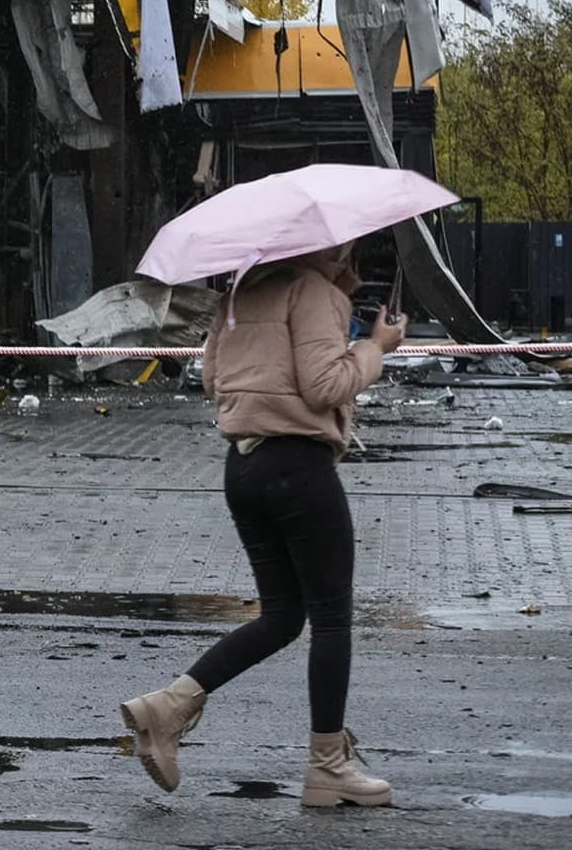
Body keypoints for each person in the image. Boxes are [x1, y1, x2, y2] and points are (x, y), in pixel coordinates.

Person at [120, 243, 405, 807]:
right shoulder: (316, 292)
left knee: (282, 617)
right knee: (331, 618)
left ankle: (171, 706)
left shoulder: (240, 293)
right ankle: (328, 766)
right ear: (336, 244)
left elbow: (210, 379)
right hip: (298, 466)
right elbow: (324, 386)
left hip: (243, 468)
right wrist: (374, 348)